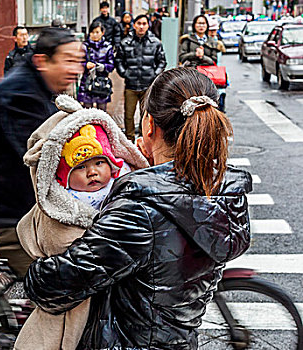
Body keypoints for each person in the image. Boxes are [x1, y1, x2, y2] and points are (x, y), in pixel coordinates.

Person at [24, 67, 252, 349]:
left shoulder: (140, 206)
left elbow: (56, 284)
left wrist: (35, 270)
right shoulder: (224, 192)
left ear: (149, 125)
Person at [14, 95, 148, 350]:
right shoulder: (60, 207)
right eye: (81, 166)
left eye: (100, 162)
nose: (93, 172)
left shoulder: (123, 190)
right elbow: (55, 239)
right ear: (63, 177)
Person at [0, 28, 84, 277]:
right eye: (69, 60)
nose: (76, 70)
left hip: (25, 205)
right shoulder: (20, 93)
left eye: (79, 61)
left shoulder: (39, 87)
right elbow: (40, 154)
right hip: (8, 216)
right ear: (42, 61)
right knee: (56, 285)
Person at [115, 14, 166, 142]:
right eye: (139, 23)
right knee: (128, 116)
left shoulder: (155, 43)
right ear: (134, 25)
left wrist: (154, 74)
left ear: (148, 25)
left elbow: (162, 62)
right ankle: (129, 141)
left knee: (147, 116)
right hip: (131, 85)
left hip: (148, 86)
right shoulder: (125, 43)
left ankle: (145, 140)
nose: (141, 26)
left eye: (144, 23)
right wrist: (125, 73)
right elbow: (119, 60)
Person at [77, 21, 114, 111]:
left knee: (101, 112)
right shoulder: (84, 46)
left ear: (102, 33)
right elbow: (78, 63)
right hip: (87, 82)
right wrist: (85, 65)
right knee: (87, 112)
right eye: (92, 32)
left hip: (102, 84)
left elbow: (111, 65)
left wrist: (103, 67)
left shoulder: (108, 47)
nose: (95, 35)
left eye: (97, 32)